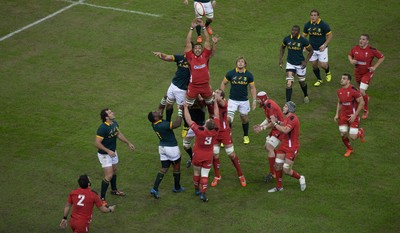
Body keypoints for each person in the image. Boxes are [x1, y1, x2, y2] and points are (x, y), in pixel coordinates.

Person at [95, 108, 136, 206]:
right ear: (106, 117)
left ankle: (114, 190)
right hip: (105, 154)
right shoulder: (102, 128)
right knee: (109, 175)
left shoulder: (114, 124)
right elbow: (97, 143)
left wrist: (128, 143)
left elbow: (118, 134)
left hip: (113, 152)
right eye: (110, 113)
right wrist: (108, 151)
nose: (112, 113)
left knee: (114, 170)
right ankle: (102, 198)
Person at [183, 100, 219, 202]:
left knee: (196, 172)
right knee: (205, 175)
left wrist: (185, 107)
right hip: (208, 155)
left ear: (206, 126)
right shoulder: (215, 130)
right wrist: (215, 103)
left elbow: (189, 120)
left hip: (198, 154)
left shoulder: (199, 131)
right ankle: (203, 193)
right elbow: (216, 116)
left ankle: (196, 190)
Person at [268, 101, 306, 193]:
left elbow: (285, 130)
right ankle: (279, 187)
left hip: (292, 148)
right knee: (277, 166)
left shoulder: (293, 118)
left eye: (285, 106)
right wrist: (276, 121)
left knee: (286, 169)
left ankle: (300, 177)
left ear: (290, 109)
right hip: (284, 146)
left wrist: (275, 124)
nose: (283, 108)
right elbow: (284, 123)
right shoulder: (288, 118)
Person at [147, 104, 185, 199]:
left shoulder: (155, 123)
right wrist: (181, 111)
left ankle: (155, 189)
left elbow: (160, 108)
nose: (158, 112)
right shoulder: (163, 125)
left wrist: (165, 99)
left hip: (162, 148)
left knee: (164, 168)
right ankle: (177, 187)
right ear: (155, 118)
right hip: (171, 148)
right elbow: (177, 124)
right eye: (156, 113)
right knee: (176, 167)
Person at [211, 89, 246, 187]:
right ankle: (217, 176)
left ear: (222, 97)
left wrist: (214, 96)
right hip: (215, 131)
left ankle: (240, 175)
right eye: (215, 92)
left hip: (224, 131)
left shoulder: (224, 103)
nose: (215, 93)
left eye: (218, 93)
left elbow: (220, 102)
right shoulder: (212, 101)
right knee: (215, 154)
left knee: (231, 154)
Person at [185, 18, 219, 115]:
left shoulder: (205, 55)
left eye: (199, 48)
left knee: (210, 103)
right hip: (193, 86)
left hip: (205, 85)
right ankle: (188, 124)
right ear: (193, 49)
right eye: (196, 48)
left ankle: (213, 120)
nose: (198, 49)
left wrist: (204, 27)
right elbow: (188, 42)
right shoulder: (190, 57)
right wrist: (192, 28)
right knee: (187, 105)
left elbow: (207, 41)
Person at [220, 56, 257, 144]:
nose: (240, 63)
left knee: (244, 119)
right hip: (232, 100)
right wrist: (222, 95)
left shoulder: (249, 75)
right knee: (228, 119)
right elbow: (223, 83)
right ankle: (227, 135)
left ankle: (245, 136)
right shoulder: (231, 73)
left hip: (244, 101)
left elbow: (252, 88)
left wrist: (254, 100)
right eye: (239, 61)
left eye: (242, 62)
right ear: (236, 63)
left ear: (245, 64)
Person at [348, 34, 384, 119]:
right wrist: (351, 60)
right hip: (357, 72)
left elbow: (382, 57)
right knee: (360, 92)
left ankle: (366, 110)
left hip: (367, 73)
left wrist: (374, 67)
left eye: (363, 39)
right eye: (360, 39)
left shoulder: (371, 50)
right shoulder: (355, 48)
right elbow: (350, 55)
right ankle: (366, 98)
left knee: (361, 90)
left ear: (367, 41)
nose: (361, 41)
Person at [253, 91, 285, 182]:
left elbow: (273, 122)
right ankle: (279, 161)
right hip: (276, 128)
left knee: (269, 147)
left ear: (263, 99)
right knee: (267, 147)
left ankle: (273, 173)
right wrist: (260, 125)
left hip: (279, 128)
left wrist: (262, 128)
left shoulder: (269, 106)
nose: (257, 102)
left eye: (258, 100)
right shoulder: (267, 105)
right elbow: (268, 119)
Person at [279, 25, 314, 103]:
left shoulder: (303, 40)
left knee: (302, 82)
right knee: (289, 83)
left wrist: (305, 61)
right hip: (290, 63)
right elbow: (282, 47)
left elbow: (311, 51)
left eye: (295, 31)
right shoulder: (287, 39)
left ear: (298, 32)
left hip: (300, 64)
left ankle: (305, 95)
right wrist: (281, 59)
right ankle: (288, 103)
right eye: (292, 30)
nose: (293, 32)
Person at [152, 51, 190, 122]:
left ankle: (183, 125)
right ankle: (169, 122)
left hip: (180, 88)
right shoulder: (180, 58)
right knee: (174, 106)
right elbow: (167, 57)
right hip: (175, 86)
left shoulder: (194, 61)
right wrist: (161, 55)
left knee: (177, 107)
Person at [334, 73, 365, 157]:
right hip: (343, 116)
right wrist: (337, 114)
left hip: (352, 116)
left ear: (348, 81)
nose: (341, 80)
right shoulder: (339, 91)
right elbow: (340, 102)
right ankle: (349, 149)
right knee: (343, 134)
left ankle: (360, 131)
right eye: (341, 78)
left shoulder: (353, 91)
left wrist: (355, 115)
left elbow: (362, 102)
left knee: (353, 137)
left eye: (344, 78)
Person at [303, 9, 333, 87]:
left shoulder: (323, 25)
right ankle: (319, 79)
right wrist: (304, 46)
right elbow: (304, 36)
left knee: (323, 65)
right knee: (314, 65)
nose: (313, 17)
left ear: (318, 16)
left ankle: (327, 72)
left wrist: (325, 45)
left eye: (315, 15)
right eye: (311, 15)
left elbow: (330, 35)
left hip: (321, 49)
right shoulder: (307, 25)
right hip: (312, 49)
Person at [182, 96, 207, 168]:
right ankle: (192, 158)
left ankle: (204, 162)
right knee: (185, 144)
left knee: (202, 146)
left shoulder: (202, 101)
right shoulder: (187, 99)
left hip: (201, 126)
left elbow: (203, 106)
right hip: (192, 126)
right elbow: (184, 111)